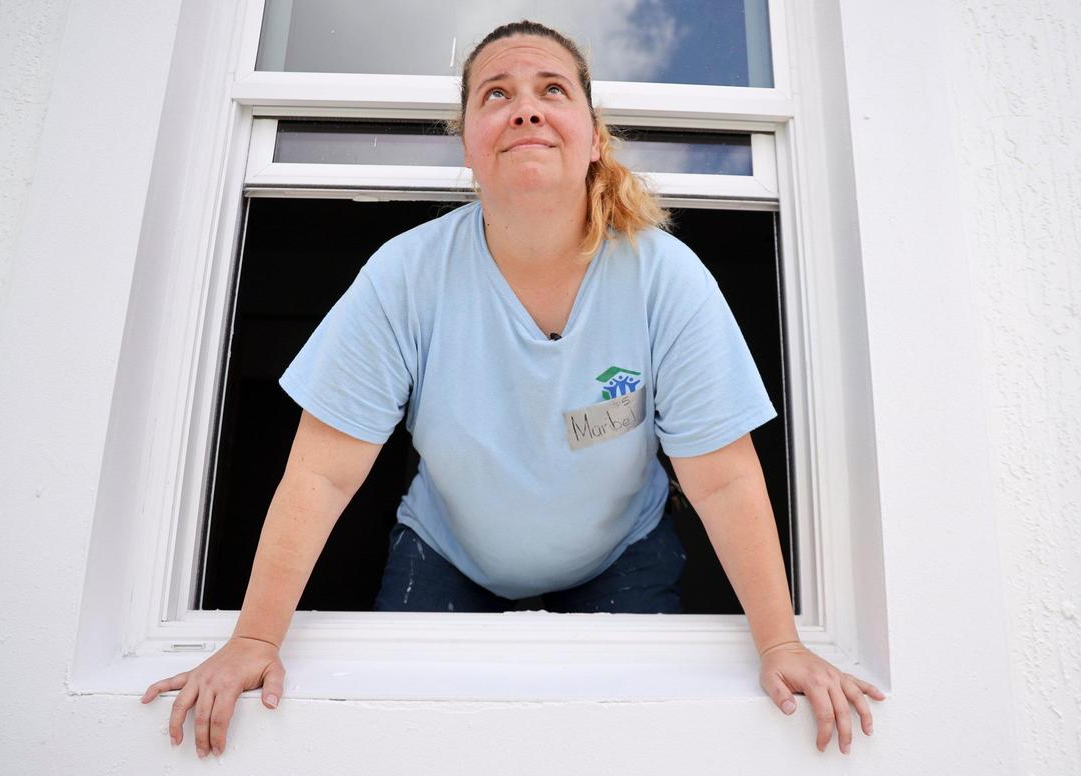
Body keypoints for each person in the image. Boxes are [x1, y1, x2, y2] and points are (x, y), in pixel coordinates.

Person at [141, 19, 884, 760]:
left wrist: (783, 643)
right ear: (468, 142)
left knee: (629, 750)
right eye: (497, 94)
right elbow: (322, 472)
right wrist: (253, 638)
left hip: (620, 556)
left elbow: (721, 480)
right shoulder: (406, 276)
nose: (525, 108)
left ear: (592, 137)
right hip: (448, 553)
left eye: (551, 90)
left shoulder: (666, 277)